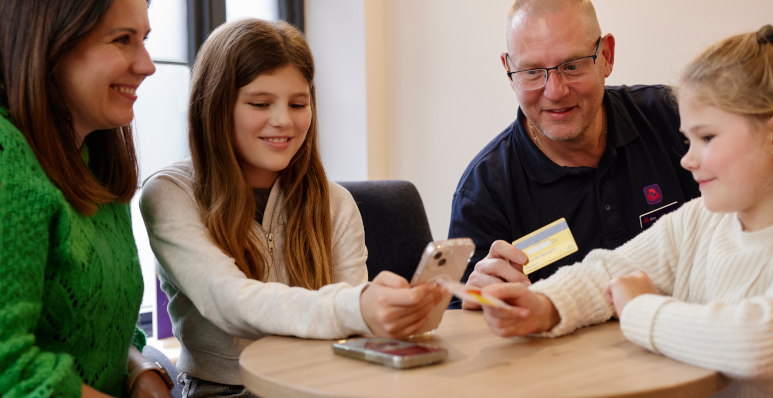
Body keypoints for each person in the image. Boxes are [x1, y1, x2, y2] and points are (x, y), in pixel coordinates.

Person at [479, 25, 773, 396]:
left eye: (707, 137)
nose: (687, 159)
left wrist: (640, 308)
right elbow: (609, 270)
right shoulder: (699, 221)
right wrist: (545, 304)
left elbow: (758, 346)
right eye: (687, 139)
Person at [139, 19, 446, 396]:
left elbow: (350, 334)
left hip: (321, 385)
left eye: (298, 103)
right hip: (223, 389)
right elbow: (230, 301)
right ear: (216, 105)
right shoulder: (170, 194)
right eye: (260, 103)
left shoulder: (335, 203)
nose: (284, 120)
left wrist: (389, 315)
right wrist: (358, 305)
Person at [449, 0, 700, 309]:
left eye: (572, 66)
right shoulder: (484, 191)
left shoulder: (678, 121)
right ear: (509, 72)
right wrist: (476, 302)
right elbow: (463, 319)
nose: (554, 91)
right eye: (531, 71)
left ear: (606, 56)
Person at [0, 0, 174, 397]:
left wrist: (140, 369)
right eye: (122, 40)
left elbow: (99, 325)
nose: (147, 65)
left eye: (144, 40)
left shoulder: (97, 158)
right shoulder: (8, 157)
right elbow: (9, 369)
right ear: (49, 42)